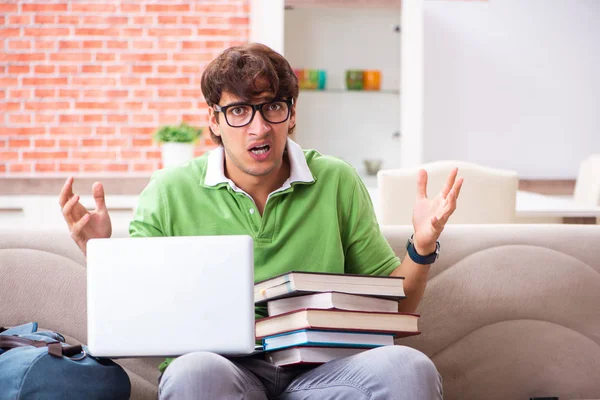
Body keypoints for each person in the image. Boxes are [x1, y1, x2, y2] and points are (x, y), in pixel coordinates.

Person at [59, 43, 462, 400]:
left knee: (409, 367)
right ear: (214, 121)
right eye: (238, 110)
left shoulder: (336, 179)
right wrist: (102, 254)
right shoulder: (168, 190)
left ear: (291, 115)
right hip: (224, 369)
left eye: (272, 106)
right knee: (194, 372)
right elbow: (140, 311)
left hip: (325, 373)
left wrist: (422, 246)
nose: (259, 126)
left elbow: (394, 307)